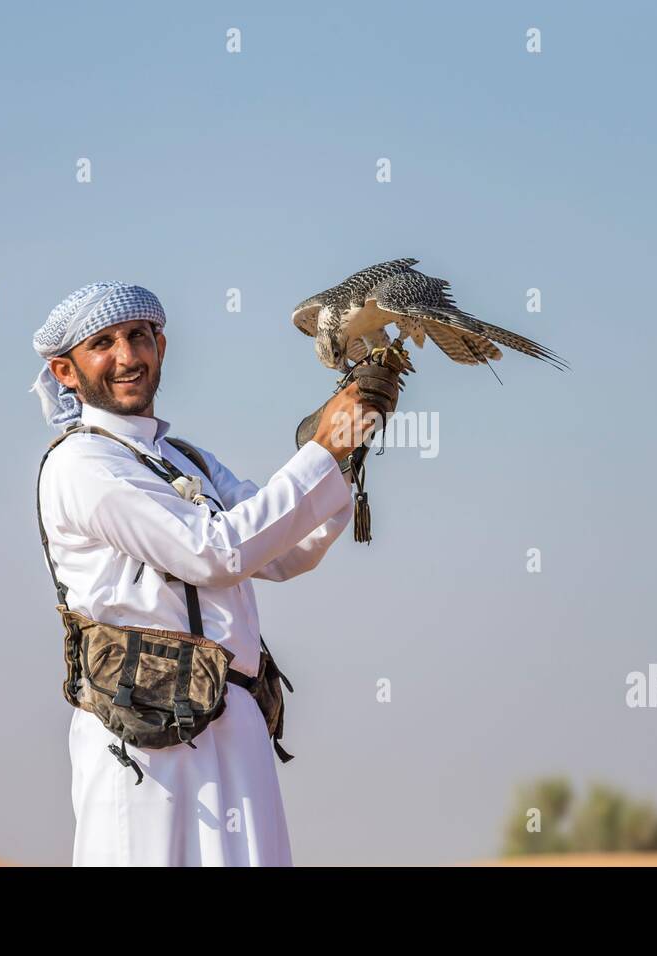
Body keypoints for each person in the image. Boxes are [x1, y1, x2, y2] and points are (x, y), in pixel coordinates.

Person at [30, 281, 398, 866]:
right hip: (144, 737)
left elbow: (285, 550)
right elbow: (213, 552)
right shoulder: (80, 463)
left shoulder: (185, 458)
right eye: (103, 343)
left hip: (235, 722)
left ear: (162, 346)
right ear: (65, 371)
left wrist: (349, 442)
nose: (127, 356)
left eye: (139, 336)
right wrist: (321, 449)